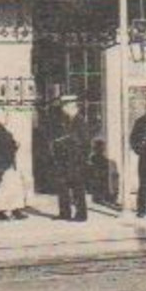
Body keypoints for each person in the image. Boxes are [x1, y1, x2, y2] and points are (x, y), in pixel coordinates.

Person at [50, 92, 89, 222]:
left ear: (72, 106)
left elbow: (85, 142)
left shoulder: (80, 121)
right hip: (62, 159)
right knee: (62, 187)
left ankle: (81, 214)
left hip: (76, 160)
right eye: (63, 106)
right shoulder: (63, 120)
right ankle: (64, 213)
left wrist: (82, 159)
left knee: (77, 188)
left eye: (65, 106)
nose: (63, 109)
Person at [0, 117, 28, 220]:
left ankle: (15, 209)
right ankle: (1, 211)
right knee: (4, 188)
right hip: (2, 165)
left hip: (8, 164)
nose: (6, 119)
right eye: (4, 117)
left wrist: (13, 146)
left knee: (13, 187)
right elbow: (3, 148)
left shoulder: (1, 131)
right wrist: (15, 145)